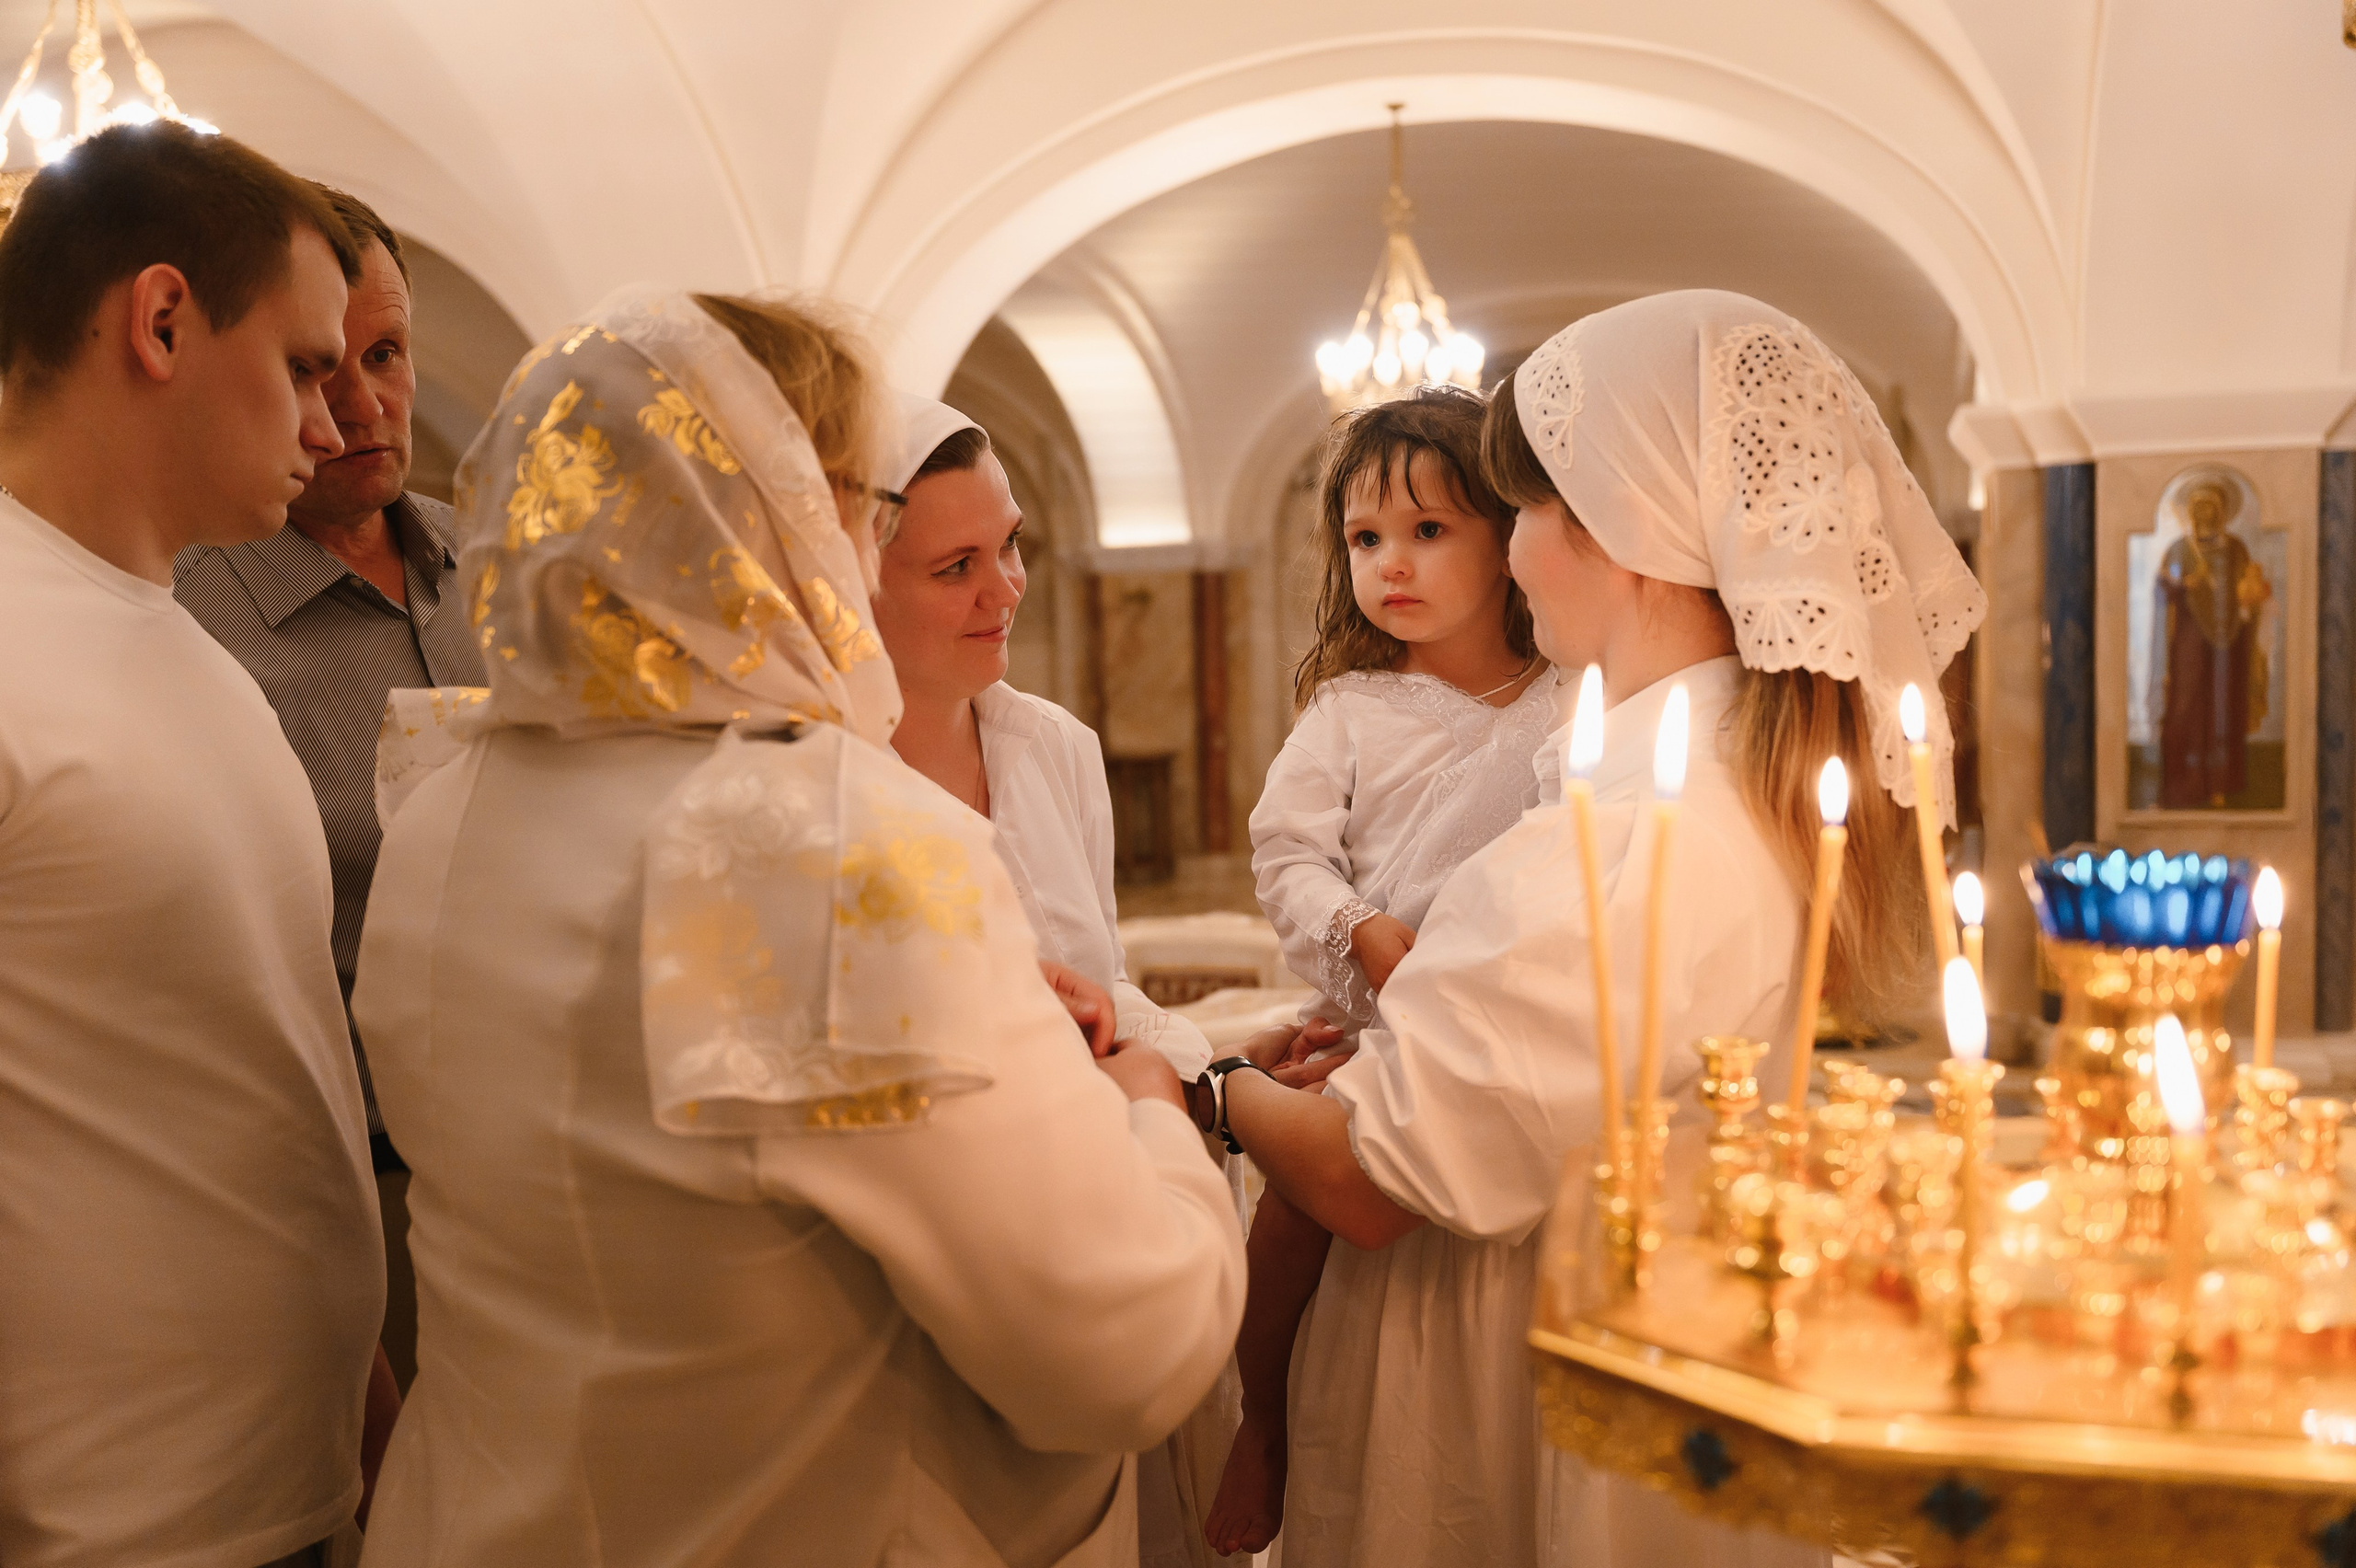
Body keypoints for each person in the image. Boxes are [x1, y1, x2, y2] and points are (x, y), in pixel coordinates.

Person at [352, 287, 1246, 1566]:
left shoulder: (452, 796)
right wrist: (1154, 1104)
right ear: (777, 515)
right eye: (860, 510)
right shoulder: (817, 840)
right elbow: (1122, 1349)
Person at [1189, 290, 1981, 1567]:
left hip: (1508, 1371)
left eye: (1535, 513)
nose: (1510, 554)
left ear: (1625, 529)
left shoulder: (1616, 838)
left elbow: (1369, 1177)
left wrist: (1207, 1088)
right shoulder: (1744, 784)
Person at [0, 122, 388, 1568]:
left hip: (283, 1494)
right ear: (162, 321)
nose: (336, 426)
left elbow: (263, 1077)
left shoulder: (193, 649)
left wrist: (359, 1395)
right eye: (301, 364)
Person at [872, 395, 1235, 1568]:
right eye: (955, 567)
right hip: (943, 1254)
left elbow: (1107, 985)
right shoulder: (824, 791)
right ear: (852, 583)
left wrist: (1207, 1058)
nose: (1005, 589)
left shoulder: (1055, 749)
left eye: (1012, 545)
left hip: (1107, 1201)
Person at [1209, 386, 1554, 1555]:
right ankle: (1258, 1419)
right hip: (1372, 1014)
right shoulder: (1352, 710)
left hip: (1505, 1015)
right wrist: (1358, 930)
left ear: (1509, 538)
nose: (1389, 565)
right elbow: (1285, 853)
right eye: (1364, 540)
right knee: (1293, 1222)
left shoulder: (1573, 701)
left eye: (1427, 531)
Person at [177, 182, 483, 1392]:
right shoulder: (188, 618)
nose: (362, 407)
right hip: (349, 1186)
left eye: (390, 355)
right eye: (316, 371)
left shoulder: (513, 572)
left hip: (553, 1146)